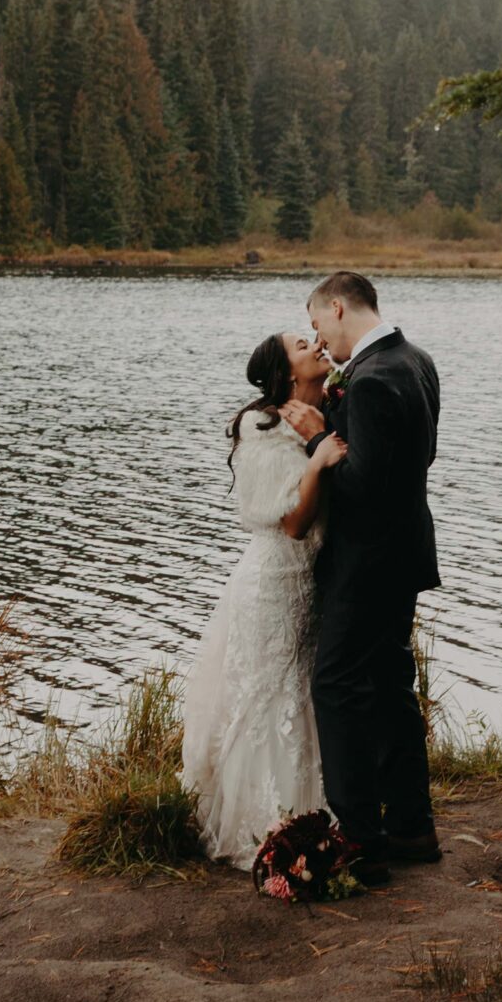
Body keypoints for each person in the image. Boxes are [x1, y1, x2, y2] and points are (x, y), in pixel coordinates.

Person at [180, 330, 347, 864]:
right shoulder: (263, 426)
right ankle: (266, 827)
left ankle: (315, 820)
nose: (316, 344)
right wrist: (319, 463)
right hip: (273, 583)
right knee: (271, 697)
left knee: (301, 693)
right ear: (285, 370)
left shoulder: (328, 407)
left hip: (307, 583)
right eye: (303, 344)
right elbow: (295, 525)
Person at [303, 270, 441, 885]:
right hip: (405, 554)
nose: (319, 341)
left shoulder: (375, 379)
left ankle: (361, 837)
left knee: (336, 684)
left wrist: (319, 439)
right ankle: (412, 826)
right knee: (389, 683)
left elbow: (365, 488)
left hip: (368, 561)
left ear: (337, 308)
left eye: (316, 326)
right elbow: (418, 460)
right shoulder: (416, 360)